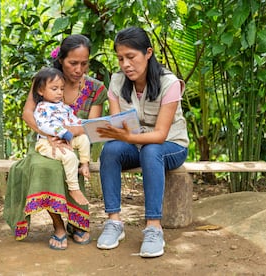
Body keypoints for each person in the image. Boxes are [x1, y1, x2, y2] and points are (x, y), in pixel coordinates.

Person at [3, 34, 108, 250]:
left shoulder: (96, 88)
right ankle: (59, 225)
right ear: (61, 60)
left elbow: (91, 126)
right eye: (73, 63)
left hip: (76, 142)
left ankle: (77, 220)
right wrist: (48, 134)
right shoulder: (45, 79)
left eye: (84, 63)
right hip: (45, 142)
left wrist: (66, 132)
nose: (79, 69)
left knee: (72, 160)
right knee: (46, 166)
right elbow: (28, 113)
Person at [95, 27, 189, 258]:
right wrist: (112, 133)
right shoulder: (117, 82)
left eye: (131, 57)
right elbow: (119, 125)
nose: (125, 64)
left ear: (148, 53)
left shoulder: (170, 83)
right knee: (110, 150)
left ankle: (153, 227)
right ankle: (114, 222)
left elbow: (160, 135)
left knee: (151, 150)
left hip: (170, 146)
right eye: (120, 58)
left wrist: (127, 137)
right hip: (135, 144)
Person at [32, 67, 90, 205]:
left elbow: (73, 120)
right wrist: (63, 132)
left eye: (61, 89)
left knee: (84, 139)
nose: (59, 92)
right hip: (46, 143)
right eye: (54, 89)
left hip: (66, 139)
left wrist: (84, 125)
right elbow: (44, 125)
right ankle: (73, 189)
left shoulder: (63, 107)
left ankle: (84, 165)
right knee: (69, 157)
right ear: (41, 91)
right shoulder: (41, 108)